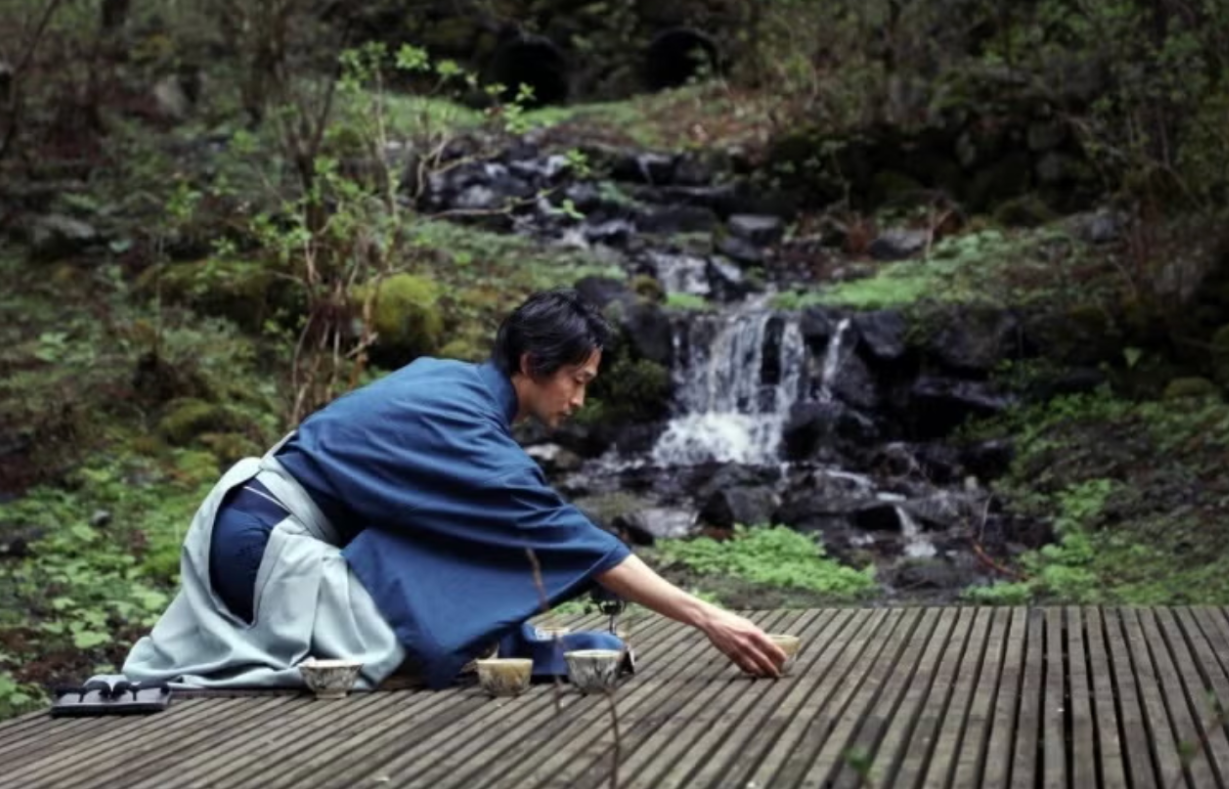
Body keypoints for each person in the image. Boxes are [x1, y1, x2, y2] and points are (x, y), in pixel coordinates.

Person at [112, 288, 786, 692]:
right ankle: (516, 651)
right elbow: (565, 534)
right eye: (577, 379)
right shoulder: (464, 426)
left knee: (447, 542)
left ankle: (506, 644)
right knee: (439, 623)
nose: (581, 398)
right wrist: (707, 616)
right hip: (265, 548)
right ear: (532, 365)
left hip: (249, 522)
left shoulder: (448, 381)